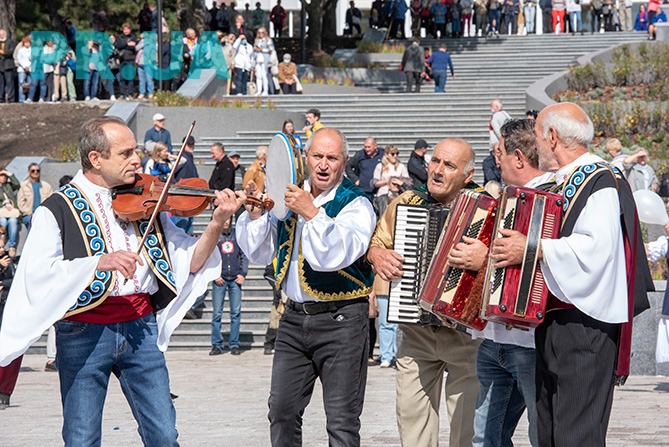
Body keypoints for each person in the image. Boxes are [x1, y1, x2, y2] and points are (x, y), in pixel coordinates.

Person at [0, 116, 237, 445]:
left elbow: (192, 260)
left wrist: (217, 222)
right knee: (82, 438)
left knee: (164, 435)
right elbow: (37, 274)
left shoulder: (148, 201)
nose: (137, 160)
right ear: (96, 159)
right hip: (83, 330)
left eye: (135, 152)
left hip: (141, 327)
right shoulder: (54, 209)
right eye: (126, 153)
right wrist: (97, 262)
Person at [491, 102, 652, 447]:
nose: (535, 146)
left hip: (585, 325)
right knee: (550, 431)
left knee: (577, 434)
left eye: (537, 136)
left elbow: (596, 249)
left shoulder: (600, 179)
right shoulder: (557, 180)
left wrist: (531, 248)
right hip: (553, 321)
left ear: (552, 136)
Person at [236, 128, 376, 446]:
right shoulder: (289, 195)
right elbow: (260, 253)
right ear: (305, 158)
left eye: (332, 158)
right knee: (281, 411)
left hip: (342, 321)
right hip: (293, 319)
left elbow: (335, 255)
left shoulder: (356, 203)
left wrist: (311, 213)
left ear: (344, 162)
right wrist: (256, 216)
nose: (323, 165)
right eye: (317, 156)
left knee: (341, 421)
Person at [366, 138, 482, 447]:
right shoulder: (408, 201)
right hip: (415, 331)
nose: (438, 170)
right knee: (412, 425)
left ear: (467, 175)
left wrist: (484, 258)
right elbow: (377, 242)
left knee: (466, 432)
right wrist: (377, 256)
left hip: (465, 336)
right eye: (435, 161)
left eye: (449, 165)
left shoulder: (486, 207)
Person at [468, 119, 554, 447]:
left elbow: (547, 267)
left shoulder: (554, 197)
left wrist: (484, 258)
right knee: (485, 438)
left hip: (531, 343)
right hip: (492, 338)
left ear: (518, 157)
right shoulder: (503, 197)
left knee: (541, 436)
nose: (496, 162)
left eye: (500, 154)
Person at [210, 217, 248, 356]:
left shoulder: (237, 235)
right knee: (217, 313)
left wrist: (243, 273)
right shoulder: (215, 236)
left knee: (235, 313)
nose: (226, 222)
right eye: (224, 219)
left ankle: (234, 344)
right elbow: (209, 257)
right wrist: (215, 275)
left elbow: (244, 255)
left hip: (235, 279)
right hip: (219, 279)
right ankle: (216, 345)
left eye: (228, 219)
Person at [0, 226, 19, 410]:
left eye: (2, 237)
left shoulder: (8, 258)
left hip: (7, 305)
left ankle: (4, 392)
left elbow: (16, 280)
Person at [371, 144, 410, 229]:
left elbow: (408, 182)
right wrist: (387, 181)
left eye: (397, 153)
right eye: (392, 154)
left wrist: (398, 181)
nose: (395, 156)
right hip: (383, 194)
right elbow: (375, 182)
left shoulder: (401, 166)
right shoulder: (380, 166)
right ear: (387, 155)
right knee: (383, 215)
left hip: (397, 194)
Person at [346, 136, 385, 201]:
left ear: (375, 146)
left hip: (380, 190)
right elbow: (348, 166)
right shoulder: (360, 155)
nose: (367, 149)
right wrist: (355, 179)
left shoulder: (383, 154)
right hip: (364, 190)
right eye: (365, 147)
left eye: (369, 147)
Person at [17, 163, 53, 232]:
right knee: (32, 221)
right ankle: (30, 239)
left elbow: (51, 202)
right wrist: (30, 213)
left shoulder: (47, 186)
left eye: (38, 170)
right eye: (33, 171)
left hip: (43, 214)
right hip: (27, 215)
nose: (35, 172)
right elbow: (20, 203)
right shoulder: (23, 186)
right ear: (28, 172)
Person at [0, 168, 20, 258]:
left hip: (12, 212)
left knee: (13, 221)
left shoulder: (9, 185)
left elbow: (17, 184)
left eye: (5, 175)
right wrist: (4, 205)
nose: (3, 177)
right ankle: (1, 244)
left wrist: (9, 173)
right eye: (1, 175)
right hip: (1, 212)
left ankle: (12, 246)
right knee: (3, 221)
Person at [115, 23, 138, 100]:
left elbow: (133, 47)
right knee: (121, 78)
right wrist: (128, 44)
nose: (126, 31)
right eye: (124, 29)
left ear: (130, 30)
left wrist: (124, 45)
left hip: (130, 59)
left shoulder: (133, 37)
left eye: (127, 29)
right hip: (122, 59)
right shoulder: (120, 37)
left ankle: (130, 93)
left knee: (130, 78)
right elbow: (118, 46)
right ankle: (122, 94)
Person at [253, 27, 274, 96]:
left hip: (265, 60)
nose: (260, 34)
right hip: (258, 59)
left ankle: (265, 90)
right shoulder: (256, 40)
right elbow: (254, 52)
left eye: (262, 32)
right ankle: (259, 90)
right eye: (259, 32)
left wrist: (261, 49)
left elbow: (271, 50)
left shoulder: (268, 40)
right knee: (258, 76)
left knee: (264, 75)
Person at [0, 29, 17, 103]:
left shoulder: (10, 42)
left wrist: (2, 52)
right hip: (0, 66)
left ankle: (11, 98)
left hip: (8, 65)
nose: (1, 36)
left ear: (5, 34)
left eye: (2, 34)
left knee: (9, 82)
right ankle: (1, 98)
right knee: (1, 83)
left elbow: (10, 52)